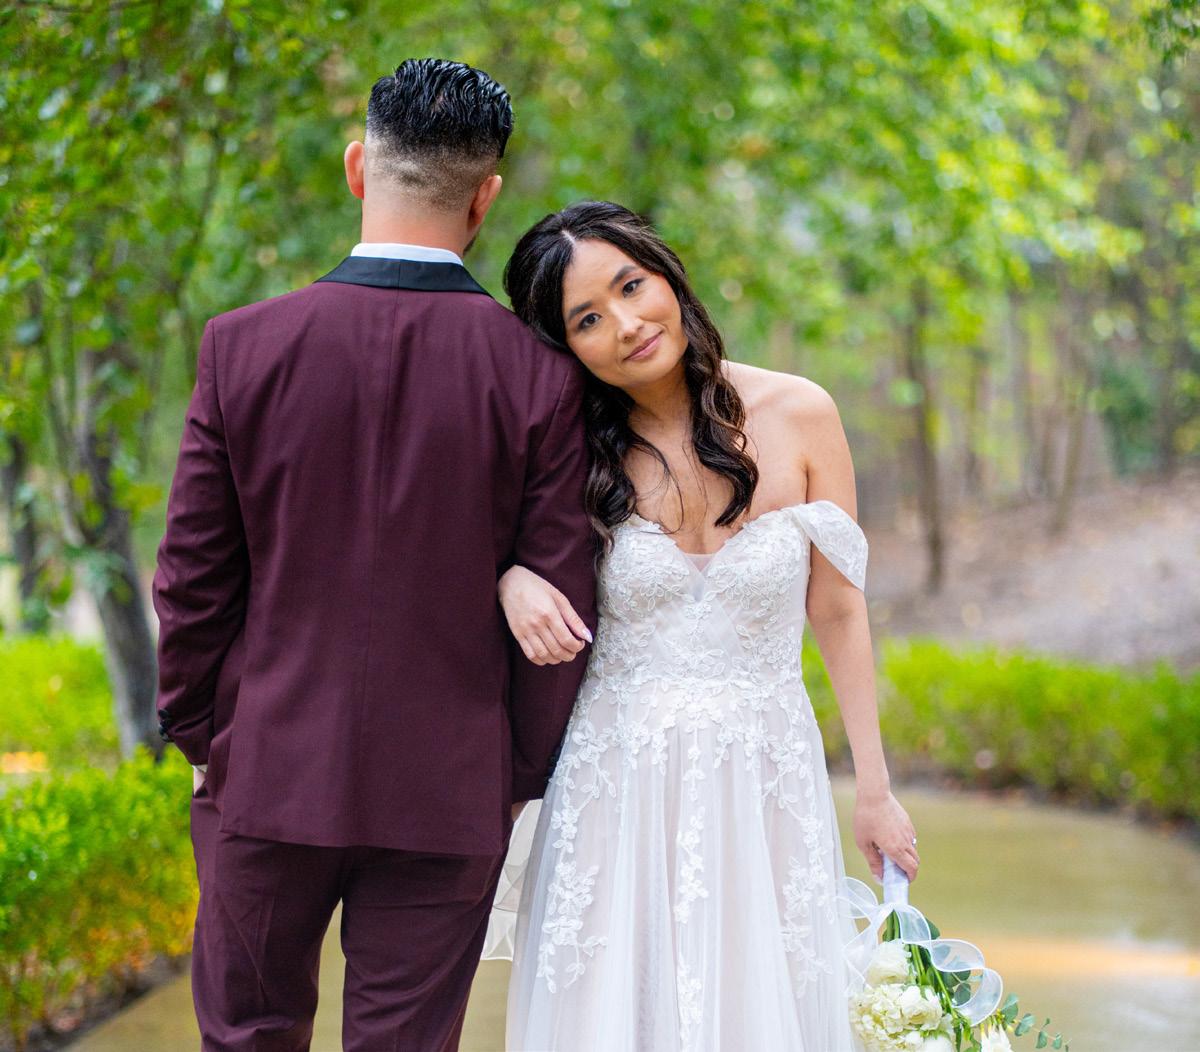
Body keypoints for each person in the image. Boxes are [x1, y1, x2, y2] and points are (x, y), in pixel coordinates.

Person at [152, 59, 596, 1051]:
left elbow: (190, 580)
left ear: (359, 166)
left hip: (265, 765)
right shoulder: (541, 377)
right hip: (450, 784)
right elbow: (562, 604)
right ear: (485, 197)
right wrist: (512, 774)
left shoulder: (241, 347)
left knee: (248, 1034)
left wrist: (205, 738)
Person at [487, 201, 918, 1050]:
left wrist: (874, 787)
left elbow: (837, 608)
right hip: (616, 787)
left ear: (667, 274)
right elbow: (471, 548)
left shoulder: (801, 412)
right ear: (564, 345)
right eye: (587, 318)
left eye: (630, 286)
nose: (626, 324)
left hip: (766, 777)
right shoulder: (565, 449)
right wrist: (508, 580)